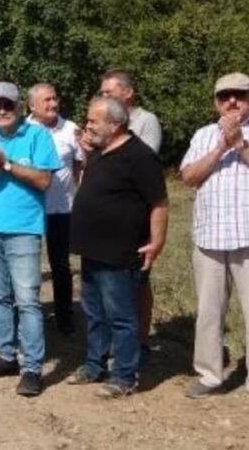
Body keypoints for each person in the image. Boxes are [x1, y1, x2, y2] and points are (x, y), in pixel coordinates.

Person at [69, 96, 168, 399]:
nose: (87, 125)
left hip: (121, 252)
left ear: (115, 124)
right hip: (93, 249)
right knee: (94, 312)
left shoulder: (139, 156)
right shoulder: (100, 151)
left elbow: (159, 202)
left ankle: (124, 375)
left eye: (93, 121)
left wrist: (157, 241)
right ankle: (94, 364)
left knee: (122, 316)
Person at [0, 81, 61, 397]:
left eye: (9, 105)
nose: (3, 111)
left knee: (28, 301)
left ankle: (32, 368)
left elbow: (44, 180)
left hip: (24, 229)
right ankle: (7, 355)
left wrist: (6, 164)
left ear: (20, 107)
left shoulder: (37, 136)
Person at [179, 73, 249, 398]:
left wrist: (239, 144)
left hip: (246, 237)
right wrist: (221, 148)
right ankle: (210, 375)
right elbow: (189, 176)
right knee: (209, 311)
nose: (232, 101)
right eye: (225, 96)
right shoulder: (203, 134)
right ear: (215, 102)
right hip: (209, 236)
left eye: (240, 95)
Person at [98, 70, 162, 361]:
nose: (104, 97)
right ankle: (118, 340)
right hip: (111, 215)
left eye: (109, 92)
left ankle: (141, 340)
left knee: (139, 279)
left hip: (138, 212)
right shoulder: (102, 121)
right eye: (102, 93)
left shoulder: (145, 121)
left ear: (128, 93)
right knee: (111, 281)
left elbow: (142, 163)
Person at [28, 83, 83, 336]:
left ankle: (64, 317)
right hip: (29, 209)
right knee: (27, 266)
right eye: (46, 100)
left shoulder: (71, 129)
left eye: (54, 99)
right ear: (32, 106)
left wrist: (74, 191)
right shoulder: (23, 130)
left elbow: (80, 165)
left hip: (61, 208)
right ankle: (30, 316)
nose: (52, 104)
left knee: (60, 265)